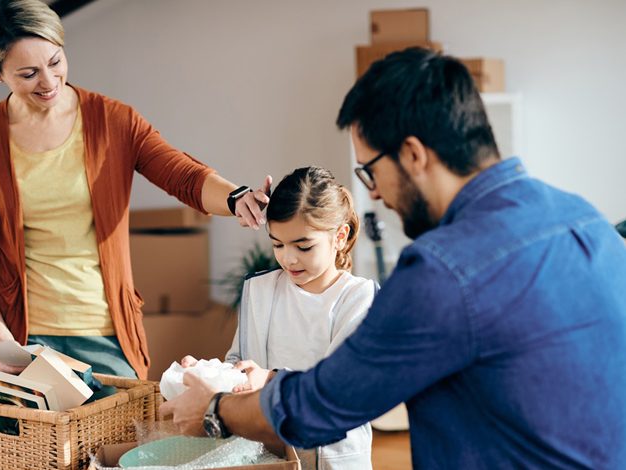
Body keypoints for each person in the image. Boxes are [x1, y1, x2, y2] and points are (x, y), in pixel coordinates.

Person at [161, 47, 626, 468]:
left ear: (413, 154)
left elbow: (323, 404)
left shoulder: (445, 271)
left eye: (370, 170)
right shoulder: (586, 221)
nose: (376, 192)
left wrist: (213, 407)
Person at [0, 0, 271, 384]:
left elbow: (183, 176)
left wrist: (237, 198)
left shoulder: (114, 122)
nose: (49, 83)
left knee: (118, 445)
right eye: (29, 73)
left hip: (107, 336)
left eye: (55, 62)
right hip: (23, 339)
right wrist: (4, 343)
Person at [183, 166, 378, 469]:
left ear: (339, 236)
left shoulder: (358, 298)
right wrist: (210, 373)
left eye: (303, 246)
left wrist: (271, 378)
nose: (288, 258)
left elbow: (338, 389)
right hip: (266, 455)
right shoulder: (260, 290)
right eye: (277, 244)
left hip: (332, 459)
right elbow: (239, 361)